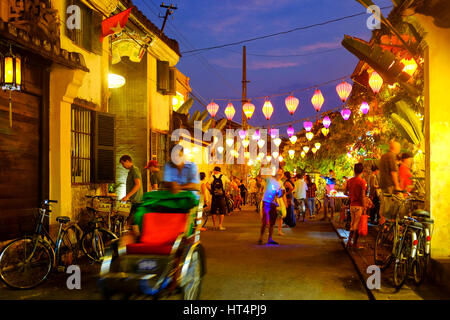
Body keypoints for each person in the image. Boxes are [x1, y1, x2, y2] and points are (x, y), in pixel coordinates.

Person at [345, 163, 369, 249]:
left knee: (353, 224)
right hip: (359, 206)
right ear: (362, 171)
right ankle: (354, 243)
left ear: (354, 170)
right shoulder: (362, 182)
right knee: (357, 225)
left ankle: (349, 241)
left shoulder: (350, 181)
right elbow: (362, 196)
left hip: (352, 205)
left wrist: (351, 195)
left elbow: (345, 192)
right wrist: (364, 206)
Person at [258, 168, 284, 245]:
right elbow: (260, 175)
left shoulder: (280, 183)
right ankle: (261, 238)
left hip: (273, 203)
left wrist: (279, 194)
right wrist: (262, 167)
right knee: (265, 221)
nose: (279, 175)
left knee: (272, 222)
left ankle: (270, 239)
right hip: (266, 202)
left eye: (281, 174)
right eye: (278, 173)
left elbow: (281, 193)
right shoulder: (269, 179)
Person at [379, 141, 402, 223]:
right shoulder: (392, 156)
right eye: (399, 148)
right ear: (395, 148)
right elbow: (393, 172)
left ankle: (382, 224)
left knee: (384, 205)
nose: (399, 149)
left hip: (383, 184)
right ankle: (390, 226)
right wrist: (397, 185)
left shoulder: (383, 156)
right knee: (391, 207)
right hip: (389, 184)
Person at [119, 155, 143, 226]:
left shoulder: (134, 170)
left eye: (123, 163)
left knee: (129, 223)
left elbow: (138, 184)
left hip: (136, 201)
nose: (123, 166)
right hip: (133, 200)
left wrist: (127, 196)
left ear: (127, 161)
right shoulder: (131, 171)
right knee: (131, 223)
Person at [207, 167, 230, 231]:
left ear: (215, 171)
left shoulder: (212, 177)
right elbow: (231, 184)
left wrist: (210, 191)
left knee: (213, 211)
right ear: (220, 171)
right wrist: (227, 191)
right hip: (221, 196)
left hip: (214, 196)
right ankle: (220, 225)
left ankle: (214, 225)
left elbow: (207, 184)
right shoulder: (224, 177)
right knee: (222, 211)